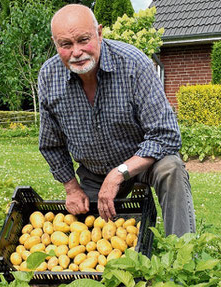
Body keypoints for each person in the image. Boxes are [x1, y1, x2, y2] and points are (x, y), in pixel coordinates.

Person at [38, 4, 196, 237]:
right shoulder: (49, 77)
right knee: (93, 238)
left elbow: (166, 135)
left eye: (84, 40)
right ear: (55, 43)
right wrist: (71, 188)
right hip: (93, 172)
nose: (77, 52)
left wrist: (119, 173)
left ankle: (184, 255)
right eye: (66, 44)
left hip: (141, 164)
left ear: (99, 33)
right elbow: (52, 145)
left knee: (170, 168)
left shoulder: (133, 64)